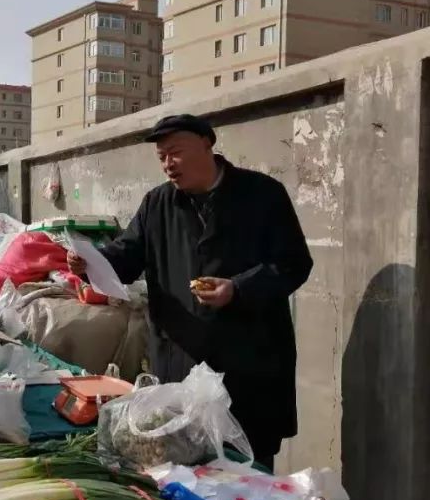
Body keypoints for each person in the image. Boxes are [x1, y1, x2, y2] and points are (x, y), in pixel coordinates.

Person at [68, 114, 313, 470]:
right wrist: (91, 262)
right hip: (182, 362)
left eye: (175, 153)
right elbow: (126, 256)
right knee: (183, 467)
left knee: (250, 471)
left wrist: (239, 289)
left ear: (207, 144)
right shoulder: (158, 204)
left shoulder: (262, 195)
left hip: (249, 362)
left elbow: (293, 263)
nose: (168, 164)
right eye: (162, 157)